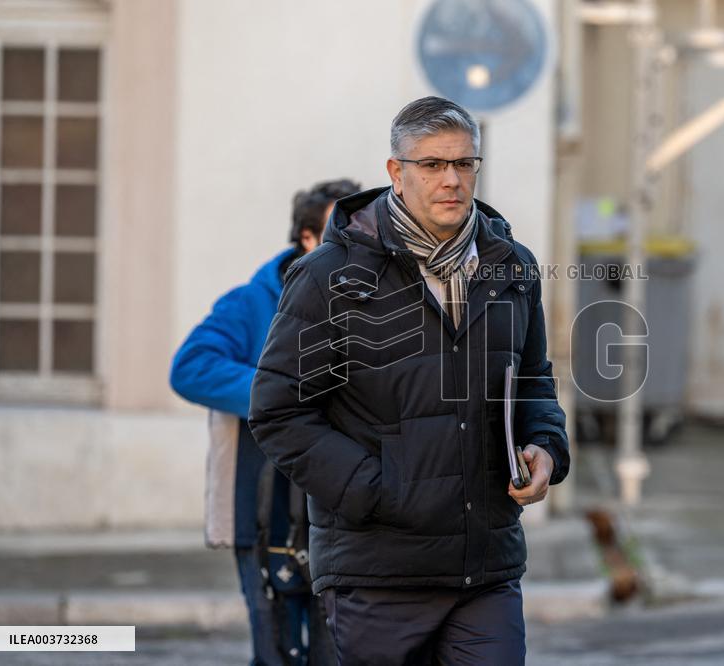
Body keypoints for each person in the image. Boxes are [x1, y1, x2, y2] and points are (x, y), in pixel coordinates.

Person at [248, 96, 570, 665]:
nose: (452, 179)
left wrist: (544, 448)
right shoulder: (330, 277)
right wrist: (378, 489)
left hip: (484, 566)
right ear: (396, 172)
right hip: (377, 570)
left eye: (465, 163)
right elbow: (280, 413)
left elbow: (535, 382)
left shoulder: (511, 267)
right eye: (432, 165)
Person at [170, 179, 360, 666]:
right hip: (260, 507)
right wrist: (283, 390)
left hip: (342, 512)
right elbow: (190, 368)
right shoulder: (251, 301)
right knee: (271, 653)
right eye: (345, 231)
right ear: (307, 239)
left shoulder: (372, 304)